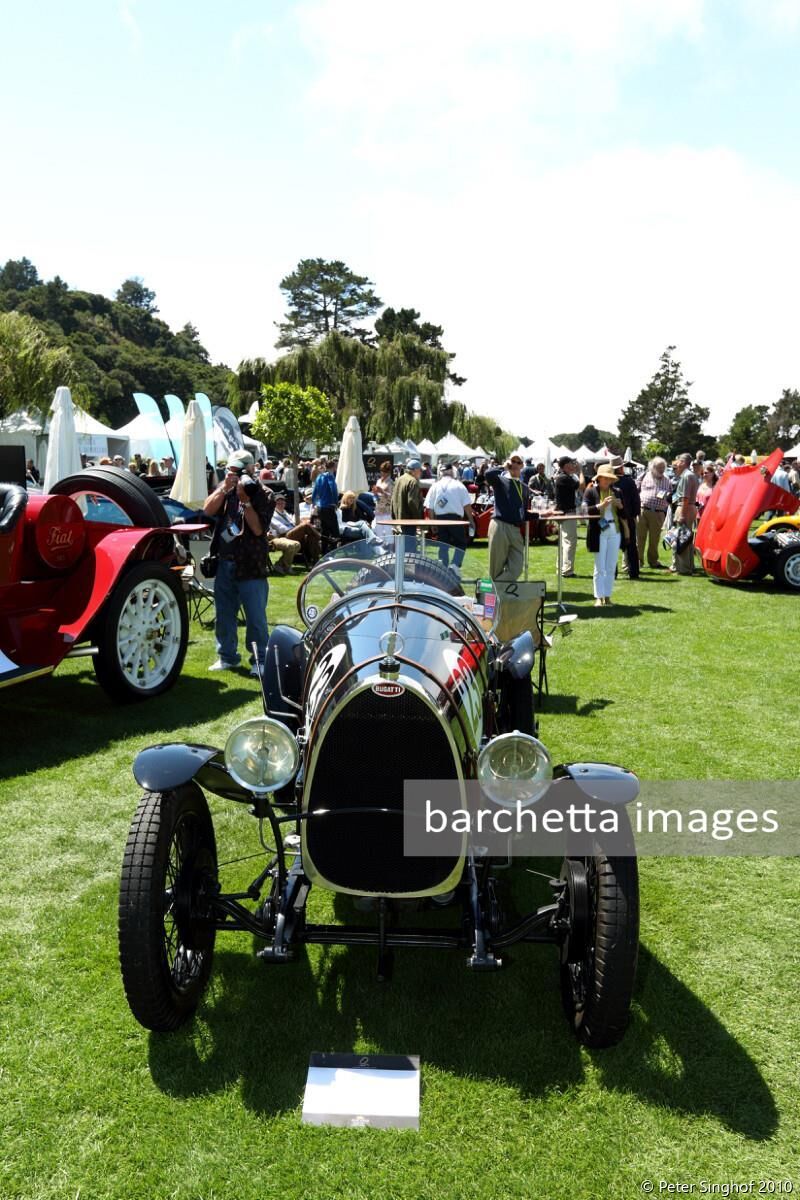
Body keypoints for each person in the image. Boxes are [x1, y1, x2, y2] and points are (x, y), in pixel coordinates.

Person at [203, 448, 272, 676]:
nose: (232, 474)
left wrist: (246, 502)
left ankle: (259, 660)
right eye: (230, 469)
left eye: (237, 470)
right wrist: (224, 489)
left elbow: (258, 529)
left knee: (255, 618)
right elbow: (207, 509)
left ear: (250, 469)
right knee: (224, 614)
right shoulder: (227, 490)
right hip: (225, 562)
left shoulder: (264, 494)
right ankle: (227, 657)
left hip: (251, 563)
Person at [584, 465, 625, 606]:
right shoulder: (591, 491)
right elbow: (584, 510)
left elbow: (624, 514)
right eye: (605, 478)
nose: (608, 481)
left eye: (610, 478)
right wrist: (600, 506)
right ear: (599, 478)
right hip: (599, 530)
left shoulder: (617, 492)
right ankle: (598, 597)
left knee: (611, 566)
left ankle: (607, 596)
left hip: (614, 530)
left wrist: (620, 506)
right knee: (600, 566)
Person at [485, 454, 531, 581]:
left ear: (522, 465)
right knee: (496, 569)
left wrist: (542, 514)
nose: (515, 464)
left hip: (515, 529)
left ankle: (492, 589)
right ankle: (495, 591)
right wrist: (503, 467)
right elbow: (488, 474)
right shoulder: (500, 480)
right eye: (513, 461)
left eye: (518, 462)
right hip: (500, 525)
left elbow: (523, 513)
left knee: (516, 568)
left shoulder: (524, 487)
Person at [424, 462, 472, 573]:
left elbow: (429, 507)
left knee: (443, 544)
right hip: (455, 519)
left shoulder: (435, 486)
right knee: (461, 543)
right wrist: (471, 519)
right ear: (452, 471)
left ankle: (443, 566)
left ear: (441, 473)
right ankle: (454, 565)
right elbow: (467, 505)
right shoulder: (459, 485)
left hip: (440, 519)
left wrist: (432, 523)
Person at [609, 456, 641, 579]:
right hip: (627, 517)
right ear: (621, 468)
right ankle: (634, 572)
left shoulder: (608, 482)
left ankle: (612, 573)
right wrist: (634, 515)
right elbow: (636, 500)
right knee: (631, 546)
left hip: (612, 518)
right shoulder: (629, 481)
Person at [637, 456, 671, 569]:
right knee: (640, 537)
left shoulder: (667, 479)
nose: (661, 470)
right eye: (659, 467)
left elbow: (671, 495)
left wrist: (668, 497)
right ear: (652, 467)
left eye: (663, 468)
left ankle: (653, 561)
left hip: (658, 513)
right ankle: (638, 561)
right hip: (643, 510)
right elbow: (636, 489)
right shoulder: (644, 476)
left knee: (654, 539)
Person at [269, 492, 321, 565]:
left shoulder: (285, 513)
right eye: (278, 503)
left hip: (291, 532)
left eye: (282, 502)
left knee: (311, 536)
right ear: (274, 504)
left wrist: (298, 526)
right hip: (283, 536)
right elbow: (281, 529)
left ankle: (316, 561)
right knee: (305, 525)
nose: (281, 504)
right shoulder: (273, 514)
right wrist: (298, 528)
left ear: (285, 503)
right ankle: (321, 537)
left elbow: (293, 522)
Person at [670, 454, 698, 574]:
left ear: (683, 462)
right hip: (688, 508)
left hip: (685, 508)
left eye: (678, 461)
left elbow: (685, 497)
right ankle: (689, 566)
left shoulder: (687, 476)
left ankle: (684, 568)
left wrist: (682, 514)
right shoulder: (690, 475)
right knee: (687, 538)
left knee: (682, 538)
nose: (676, 463)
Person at [553, 456, 580, 578]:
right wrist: (580, 471)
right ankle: (567, 570)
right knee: (570, 542)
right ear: (565, 465)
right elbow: (581, 485)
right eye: (571, 463)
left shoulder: (563, 477)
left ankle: (561, 568)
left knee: (564, 542)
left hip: (563, 512)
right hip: (567, 513)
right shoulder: (564, 478)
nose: (573, 465)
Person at [312, 459, 340, 545]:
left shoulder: (319, 477)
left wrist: (314, 502)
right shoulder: (330, 476)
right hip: (328, 506)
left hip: (320, 507)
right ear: (334, 467)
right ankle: (336, 548)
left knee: (325, 530)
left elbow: (314, 491)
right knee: (335, 531)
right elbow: (333, 489)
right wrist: (336, 502)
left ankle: (324, 549)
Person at [373, 460, 395, 546]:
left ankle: (390, 547)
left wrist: (382, 492)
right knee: (378, 529)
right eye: (381, 471)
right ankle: (381, 548)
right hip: (378, 508)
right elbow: (376, 495)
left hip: (386, 509)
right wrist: (375, 492)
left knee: (388, 529)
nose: (382, 473)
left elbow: (392, 497)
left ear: (389, 472)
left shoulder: (391, 482)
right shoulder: (379, 481)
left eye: (385, 472)